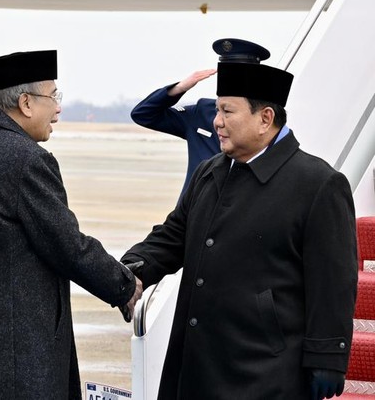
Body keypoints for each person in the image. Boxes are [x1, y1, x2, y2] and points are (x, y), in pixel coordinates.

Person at [121, 58, 357, 399]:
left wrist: (327, 356)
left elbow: (333, 281)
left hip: (265, 372)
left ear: (265, 119)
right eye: (218, 110)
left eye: (227, 112)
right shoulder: (210, 172)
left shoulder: (318, 184)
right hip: (197, 364)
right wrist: (128, 272)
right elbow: (172, 238)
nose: (216, 121)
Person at [0, 50, 143, 399]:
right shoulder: (27, 161)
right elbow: (69, 246)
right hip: (24, 359)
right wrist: (124, 286)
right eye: (54, 96)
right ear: (26, 103)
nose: (58, 109)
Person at [131, 38, 270, 196]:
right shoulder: (202, 111)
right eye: (227, 72)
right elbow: (143, 114)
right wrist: (180, 88)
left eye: (240, 74)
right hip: (193, 207)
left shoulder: (262, 119)